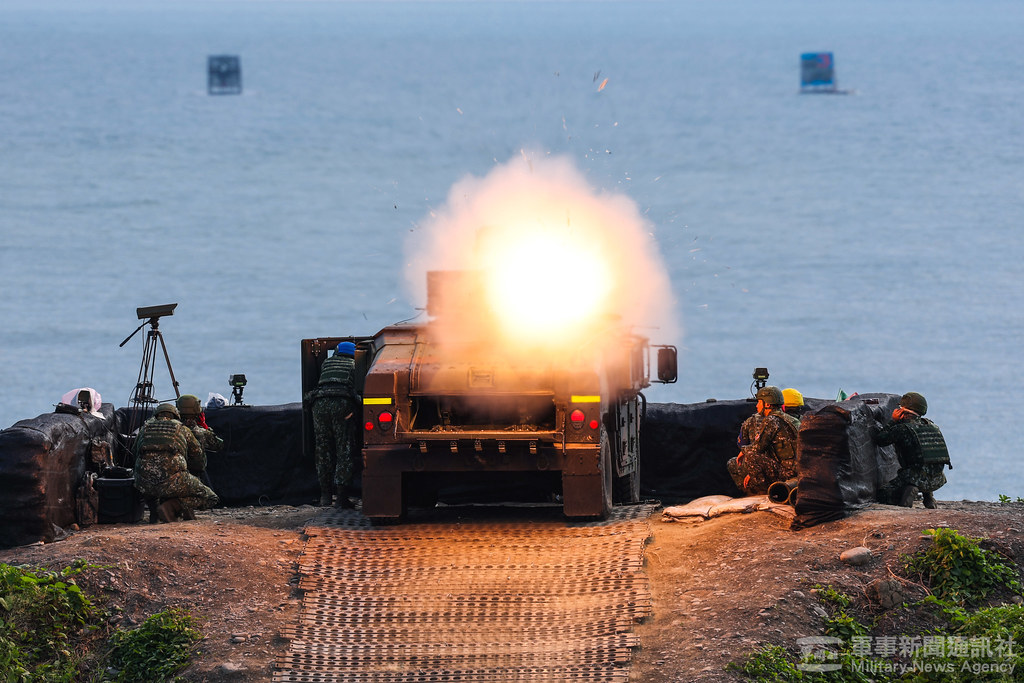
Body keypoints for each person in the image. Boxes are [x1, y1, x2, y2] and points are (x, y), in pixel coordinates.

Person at [133, 403, 219, 522]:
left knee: (149, 481)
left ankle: (154, 511)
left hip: (143, 484)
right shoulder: (181, 428)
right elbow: (198, 458)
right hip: (173, 481)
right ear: (175, 415)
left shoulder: (145, 428)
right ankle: (171, 506)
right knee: (210, 497)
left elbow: (134, 453)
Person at [873, 391, 950, 509]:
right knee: (922, 464)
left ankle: (909, 490)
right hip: (937, 479)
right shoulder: (931, 425)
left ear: (902, 410)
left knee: (882, 495)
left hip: (914, 479)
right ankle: (928, 495)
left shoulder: (903, 429)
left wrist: (893, 421)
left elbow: (880, 439)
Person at [310, 341, 359, 508]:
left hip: (319, 404)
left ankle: (325, 496)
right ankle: (341, 498)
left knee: (323, 449)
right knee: (344, 449)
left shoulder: (327, 362)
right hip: (342, 404)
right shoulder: (354, 364)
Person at [727, 386, 802, 495]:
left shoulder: (771, 420)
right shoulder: (790, 419)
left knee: (751, 456)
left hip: (787, 473)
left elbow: (756, 448)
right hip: (796, 470)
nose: (757, 406)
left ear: (767, 404)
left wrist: (743, 451)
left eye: (759, 402)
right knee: (736, 462)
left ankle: (761, 494)